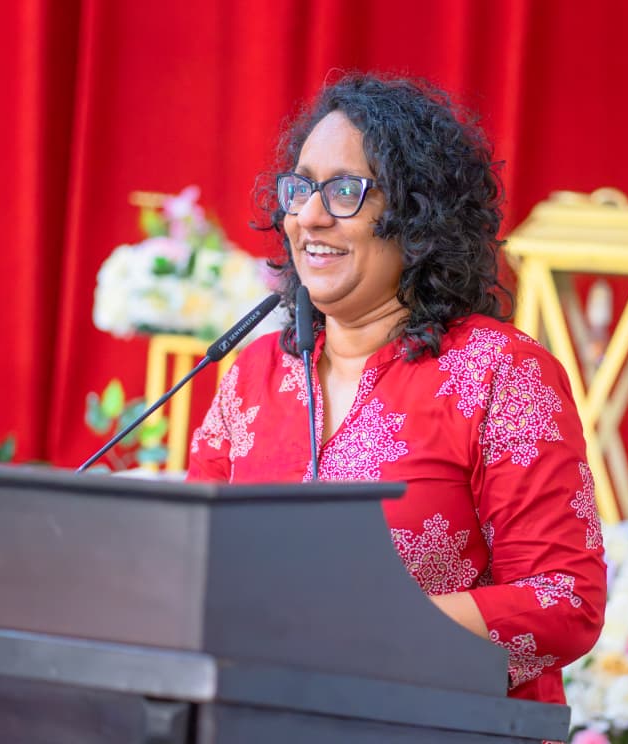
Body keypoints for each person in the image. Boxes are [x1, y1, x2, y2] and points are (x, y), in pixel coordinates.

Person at [186, 72, 606, 706]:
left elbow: (564, 599)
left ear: (416, 214)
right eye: (300, 188)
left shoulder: (499, 373)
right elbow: (194, 569)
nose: (309, 216)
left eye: (345, 191)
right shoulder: (254, 377)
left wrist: (363, 634)